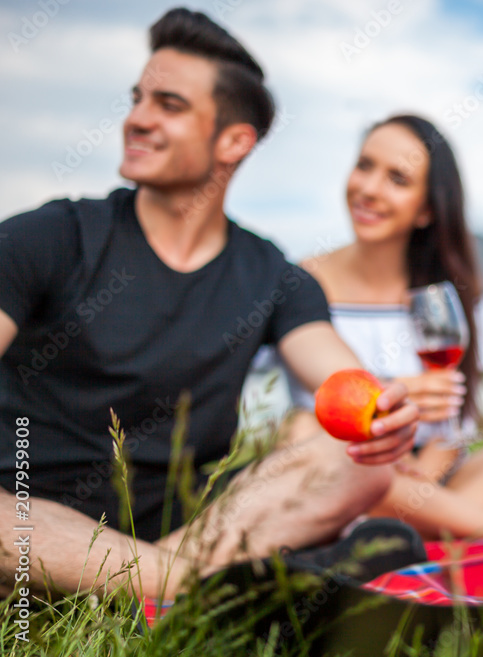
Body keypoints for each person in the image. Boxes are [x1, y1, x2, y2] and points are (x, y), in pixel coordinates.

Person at [0, 8, 418, 604]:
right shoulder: (50, 235)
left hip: (185, 528)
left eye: (168, 105)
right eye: (137, 98)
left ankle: (165, 583)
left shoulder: (273, 275)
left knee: (361, 462)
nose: (136, 119)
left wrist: (386, 411)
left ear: (234, 141)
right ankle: (209, 589)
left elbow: (343, 380)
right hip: (25, 519)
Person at [280, 114, 483, 539]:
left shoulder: (447, 295)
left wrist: (422, 479)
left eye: (397, 179)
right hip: (338, 465)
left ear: (426, 209)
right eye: (365, 165)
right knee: (303, 429)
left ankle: (403, 523)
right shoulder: (299, 281)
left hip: (430, 483)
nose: (368, 189)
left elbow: (452, 424)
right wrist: (390, 403)